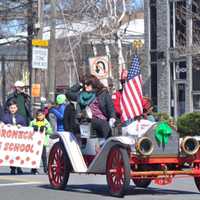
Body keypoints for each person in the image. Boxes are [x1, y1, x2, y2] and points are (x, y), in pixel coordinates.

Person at [76, 74, 116, 139]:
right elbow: (69, 93)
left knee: (104, 126)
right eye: (84, 84)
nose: (85, 86)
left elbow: (110, 107)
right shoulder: (81, 95)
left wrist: (112, 118)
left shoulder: (103, 93)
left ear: (93, 84)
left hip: (103, 121)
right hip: (87, 121)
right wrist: (79, 85)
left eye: (88, 84)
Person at [1, 99, 26, 175]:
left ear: (17, 108)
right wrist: (5, 125)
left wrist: (21, 126)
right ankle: (12, 168)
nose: (13, 109)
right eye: (11, 108)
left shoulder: (21, 117)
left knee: (19, 153)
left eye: (14, 108)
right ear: (9, 108)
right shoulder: (5, 117)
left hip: (19, 140)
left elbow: (25, 127)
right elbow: (1, 125)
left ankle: (19, 168)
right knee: (11, 153)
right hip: (9, 141)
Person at [29, 109, 53, 174]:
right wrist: (33, 128)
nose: (39, 117)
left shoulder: (46, 122)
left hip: (42, 143)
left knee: (44, 156)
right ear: (36, 116)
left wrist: (45, 129)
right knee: (34, 156)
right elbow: (28, 130)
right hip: (35, 142)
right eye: (38, 115)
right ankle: (34, 169)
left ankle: (46, 169)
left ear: (44, 115)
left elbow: (50, 131)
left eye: (41, 115)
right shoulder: (33, 122)